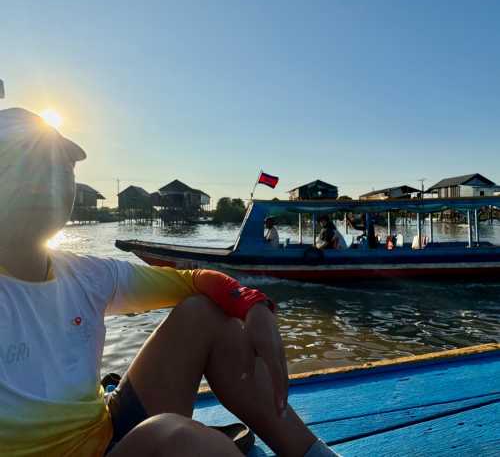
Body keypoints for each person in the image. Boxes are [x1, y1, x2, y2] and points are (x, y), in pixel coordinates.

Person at [0, 108, 336, 457]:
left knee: (203, 314)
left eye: (60, 169)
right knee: (177, 438)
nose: (49, 182)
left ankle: (312, 453)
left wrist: (253, 304)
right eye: (26, 167)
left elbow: (195, 281)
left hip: (107, 437)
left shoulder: (86, 275)